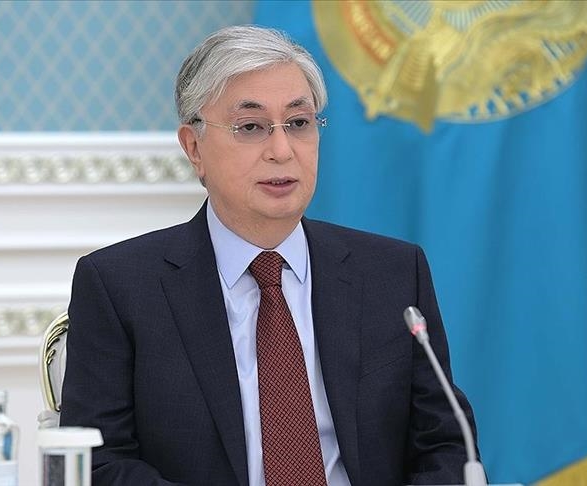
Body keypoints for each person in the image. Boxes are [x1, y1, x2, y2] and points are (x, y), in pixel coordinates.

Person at [60, 25, 479, 486]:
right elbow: (98, 462)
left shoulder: (393, 274)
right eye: (251, 127)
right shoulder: (120, 286)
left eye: (298, 123)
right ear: (194, 147)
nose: (282, 151)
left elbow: (446, 445)